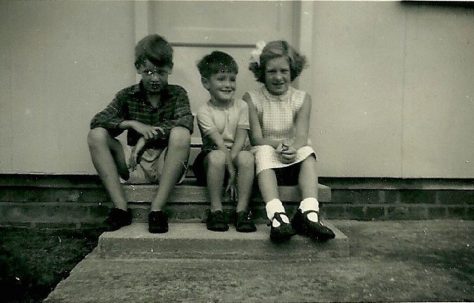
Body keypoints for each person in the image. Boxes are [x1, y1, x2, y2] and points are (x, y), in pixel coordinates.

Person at [87, 34, 193, 233]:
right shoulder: (127, 95)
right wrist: (131, 124)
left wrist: (146, 138)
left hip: (165, 163)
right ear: (138, 68)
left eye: (160, 72)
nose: (154, 78)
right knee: (96, 135)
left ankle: (157, 210)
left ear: (170, 68)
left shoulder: (178, 93)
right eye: (148, 72)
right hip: (133, 164)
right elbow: (97, 120)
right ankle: (120, 209)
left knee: (181, 134)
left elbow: (185, 120)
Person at [243, 40, 335, 242]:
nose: (278, 77)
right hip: (266, 157)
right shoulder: (252, 98)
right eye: (271, 71)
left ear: (292, 71)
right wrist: (279, 146)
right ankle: (277, 215)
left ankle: (309, 211)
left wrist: (292, 148)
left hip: (290, 155)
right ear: (261, 72)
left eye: (284, 71)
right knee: (263, 152)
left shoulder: (301, 98)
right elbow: (256, 138)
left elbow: (301, 136)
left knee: (308, 153)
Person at [194, 51, 256, 232]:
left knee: (247, 157)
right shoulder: (204, 111)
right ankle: (216, 210)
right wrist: (231, 170)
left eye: (232, 79)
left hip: (234, 156)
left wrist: (234, 169)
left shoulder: (242, 106)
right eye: (221, 79)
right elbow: (219, 145)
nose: (228, 85)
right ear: (206, 83)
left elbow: (240, 138)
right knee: (218, 157)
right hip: (211, 160)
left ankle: (242, 211)